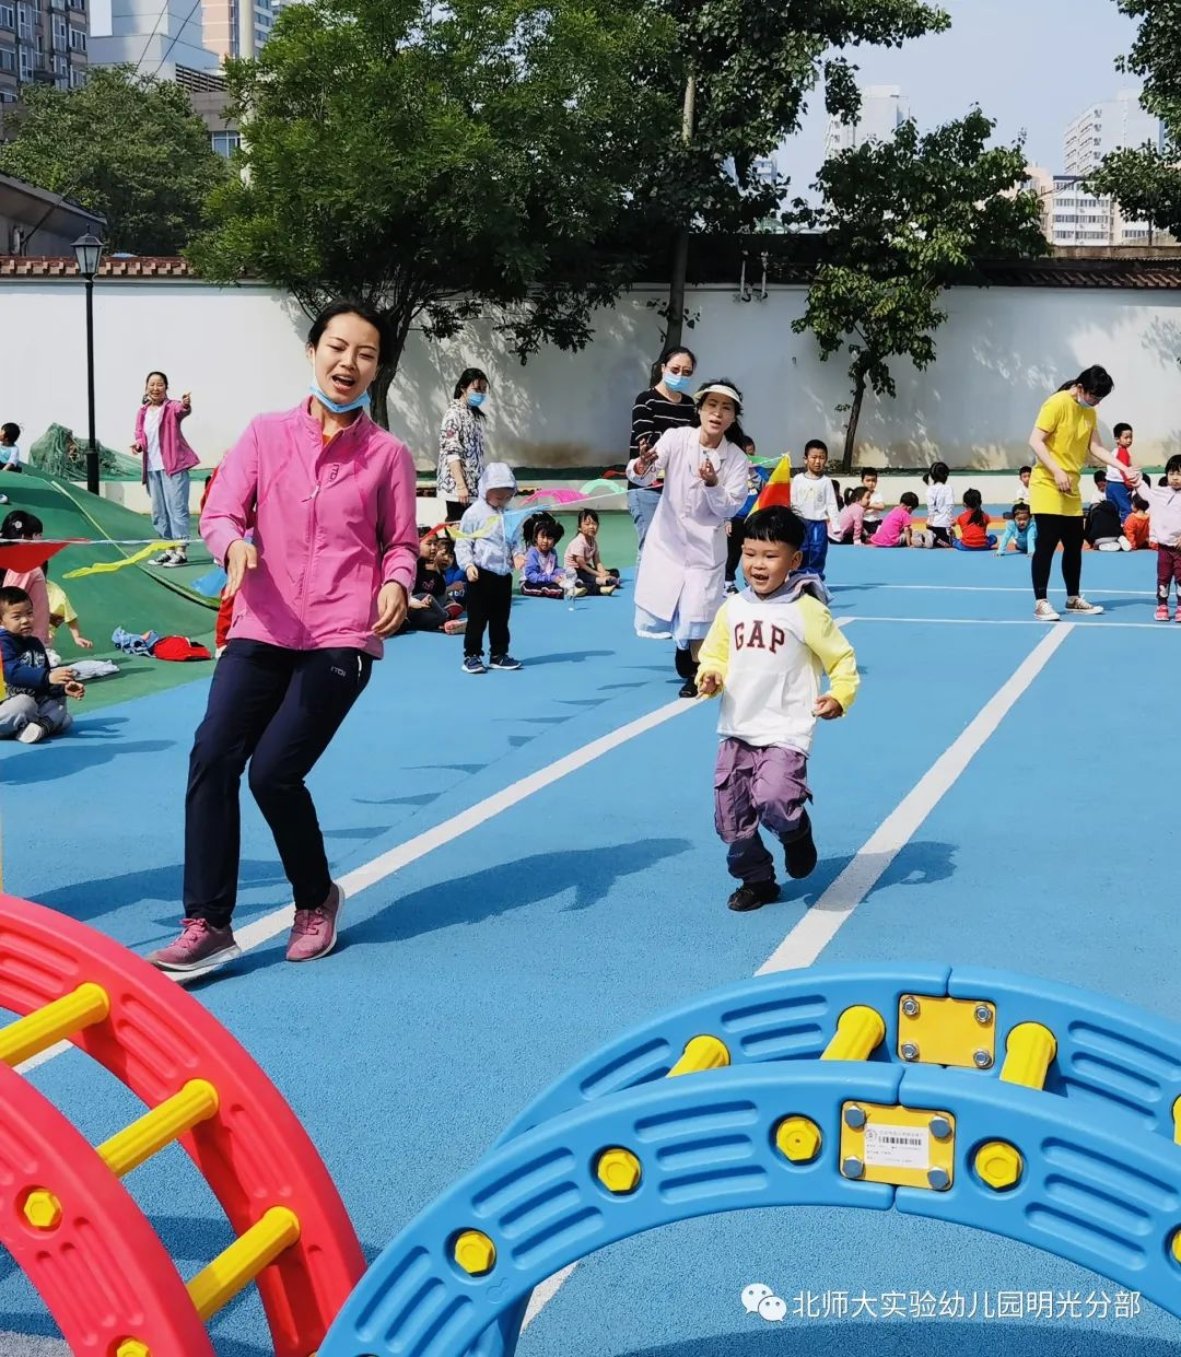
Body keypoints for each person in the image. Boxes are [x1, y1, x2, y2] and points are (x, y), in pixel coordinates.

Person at [147, 301, 419, 976]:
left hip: (340, 634)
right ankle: (208, 922)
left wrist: (396, 582)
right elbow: (220, 511)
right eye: (337, 346)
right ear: (312, 351)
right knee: (213, 754)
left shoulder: (387, 455)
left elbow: (401, 543)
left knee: (273, 772)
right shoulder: (265, 434)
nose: (348, 362)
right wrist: (232, 544)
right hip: (262, 624)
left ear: (377, 368)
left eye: (365, 354)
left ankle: (315, 896)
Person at [695, 506, 858, 913]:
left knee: (775, 797)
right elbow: (715, 653)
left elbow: (840, 658)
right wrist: (710, 675)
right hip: (737, 727)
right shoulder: (733, 607)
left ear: (794, 560)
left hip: (786, 729)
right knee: (731, 819)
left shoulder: (806, 610)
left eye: (770, 556)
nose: (757, 564)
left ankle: (795, 831)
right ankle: (757, 880)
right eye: (750, 554)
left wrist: (839, 695)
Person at [627, 379, 751, 698]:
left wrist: (712, 484)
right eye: (712, 405)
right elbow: (644, 474)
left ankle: (696, 671)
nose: (717, 413)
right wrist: (642, 463)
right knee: (673, 604)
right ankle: (684, 651)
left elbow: (731, 506)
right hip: (668, 540)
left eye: (726, 408)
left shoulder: (737, 459)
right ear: (700, 409)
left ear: (733, 417)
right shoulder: (677, 438)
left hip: (705, 546)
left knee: (699, 608)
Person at [1027, 367, 1140, 621]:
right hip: (1047, 482)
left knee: (1074, 544)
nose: (1096, 402)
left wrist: (1124, 468)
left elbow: (1096, 447)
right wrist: (1056, 470)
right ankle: (1041, 602)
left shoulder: (1089, 412)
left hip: (1071, 485)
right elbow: (1035, 440)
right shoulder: (1056, 403)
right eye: (1094, 396)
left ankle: (1073, 598)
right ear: (1080, 388)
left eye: (1100, 398)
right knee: (1046, 543)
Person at [628, 347, 698, 560]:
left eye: (687, 372)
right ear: (663, 368)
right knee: (650, 547)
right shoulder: (646, 399)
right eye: (675, 370)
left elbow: (694, 441)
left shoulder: (689, 404)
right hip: (648, 487)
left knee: (677, 551)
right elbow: (647, 442)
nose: (680, 375)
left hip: (679, 488)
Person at [455, 462, 526, 674]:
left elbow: (516, 539)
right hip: (480, 573)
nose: (503, 501)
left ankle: (499, 653)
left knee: (501, 618)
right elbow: (463, 541)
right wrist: (468, 565)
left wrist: (518, 554)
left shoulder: (510, 514)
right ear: (485, 491)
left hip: (503, 574)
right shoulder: (474, 513)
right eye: (498, 497)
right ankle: (472, 655)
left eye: (507, 497)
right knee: (477, 617)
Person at [0, 585, 84, 743]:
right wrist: (48, 676)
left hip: (34, 704)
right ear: (1, 621)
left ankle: (37, 727)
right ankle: (46, 725)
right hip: (9, 705)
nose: (25, 620)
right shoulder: (2, 643)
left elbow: (44, 683)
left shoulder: (35, 643)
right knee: (24, 704)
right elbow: (11, 671)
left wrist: (62, 688)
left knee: (60, 707)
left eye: (29, 613)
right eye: (17, 617)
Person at [132, 372, 200, 567]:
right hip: (152, 468)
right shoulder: (143, 412)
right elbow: (139, 433)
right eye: (152, 384)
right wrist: (138, 444)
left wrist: (185, 404)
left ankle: (181, 551)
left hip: (173, 466)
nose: (155, 388)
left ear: (166, 388)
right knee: (159, 512)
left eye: (160, 384)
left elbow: (182, 410)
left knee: (176, 509)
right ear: (146, 387)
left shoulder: (171, 407)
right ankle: (168, 549)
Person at [437, 368, 489, 522]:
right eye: (476, 389)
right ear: (463, 388)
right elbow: (452, 453)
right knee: (458, 527)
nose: (481, 393)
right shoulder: (453, 415)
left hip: (473, 488)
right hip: (458, 489)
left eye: (483, 390)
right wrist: (461, 485)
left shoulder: (473, 415)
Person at [1134, 456, 1181, 620]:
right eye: (1171, 473)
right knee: (1163, 577)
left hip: (1180, 548)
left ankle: (1180, 606)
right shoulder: (1160, 493)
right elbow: (1144, 491)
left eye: (1179, 474)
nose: (1175, 477)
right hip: (1164, 548)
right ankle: (1162, 605)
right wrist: (1136, 477)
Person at [789, 440, 840, 578]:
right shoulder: (798, 479)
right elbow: (792, 500)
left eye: (821, 458)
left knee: (818, 549)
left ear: (826, 460)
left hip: (818, 523)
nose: (817, 461)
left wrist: (836, 525)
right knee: (801, 548)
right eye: (814, 457)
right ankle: (797, 576)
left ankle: (815, 577)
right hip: (800, 522)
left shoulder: (826, 482)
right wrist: (791, 519)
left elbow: (831, 504)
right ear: (805, 459)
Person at [725, 435, 768, 592]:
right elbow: (724, 496)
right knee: (734, 552)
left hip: (754, 518)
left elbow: (766, 488)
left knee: (754, 552)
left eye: (752, 454)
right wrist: (727, 519)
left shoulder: (760, 470)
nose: (749, 458)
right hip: (736, 518)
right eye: (745, 454)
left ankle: (751, 578)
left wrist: (753, 472)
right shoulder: (731, 472)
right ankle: (728, 582)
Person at [1, 509, 50, 644]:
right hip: (22, 642)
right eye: (38, 535)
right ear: (25, 537)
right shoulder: (24, 566)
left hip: (25, 642)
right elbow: (9, 604)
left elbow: (9, 604)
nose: (42, 540)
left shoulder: (24, 566)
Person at [564, 508, 619, 596]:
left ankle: (605, 580)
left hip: (586, 569)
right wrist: (598, 574)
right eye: (587, 524)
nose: (591, 527)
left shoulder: (593, 542)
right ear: (579, 527)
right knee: (583, 576)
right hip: (574, 571)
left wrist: (603, 572)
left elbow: (597, 562)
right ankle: (602, 582)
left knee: (615, 572)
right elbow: (582, 565)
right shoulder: (578, 542)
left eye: (594, 524)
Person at [521, 512, 575, 599]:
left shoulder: (552, 552)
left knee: (568, 577)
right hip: (529, 583)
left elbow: (554, 568)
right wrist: (552, 578)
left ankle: (579, 588)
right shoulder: (532, 553)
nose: (545, 541)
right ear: (536, 538)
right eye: (542, 537)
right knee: (548, 588)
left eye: (549, 538)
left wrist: (562, 573)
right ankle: (565, 592)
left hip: (546, 580)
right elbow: (531, 575)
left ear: (554, 541)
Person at [1106, 423, 1136, 523]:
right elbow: (1123, 470)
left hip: (1110, 485)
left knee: (1112, 510)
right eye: (1126, 437)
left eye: (1131, 437)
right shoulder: (1123, 452)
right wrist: (1129, 484)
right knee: (1127, 509)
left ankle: (1112, 529)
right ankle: (1126, 530)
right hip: (1120, 485)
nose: (1129, 440)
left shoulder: (1114, 452)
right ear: (1117, 439)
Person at [923, 462, 954, 547]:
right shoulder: (948, 488)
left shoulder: (929, 489)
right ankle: (936, 539)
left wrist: (930, 521)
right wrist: (950, 521)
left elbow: (930, 508)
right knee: (950, 542)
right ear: (946, 475)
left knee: (932, 537)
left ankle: (925, 537)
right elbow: (949, 506)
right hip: (943, 525)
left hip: (931, 525)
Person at [860, 468, 885, 538]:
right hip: (863, 521)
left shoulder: (877, 494)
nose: (871, 483)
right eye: (868, 480)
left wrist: (868, 505)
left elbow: (882, 507)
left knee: (886, 525)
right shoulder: (859, 494)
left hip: (875, 522)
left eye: (873, 480)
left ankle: (871, 535)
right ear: (862, 481)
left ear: (876, 481)